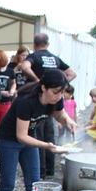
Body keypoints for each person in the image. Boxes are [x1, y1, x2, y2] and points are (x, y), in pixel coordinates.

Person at [0, 69, 77, 191]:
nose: (59, 96)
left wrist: (68, 120)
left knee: (34, 183)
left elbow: (59, 114)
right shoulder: (26, 101)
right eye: (55, 92)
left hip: (30, 139)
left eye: (62, 92)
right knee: (8, 184)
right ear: (44, 87)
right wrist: (47, 145)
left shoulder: (56, 99)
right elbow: (21, 136)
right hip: (9, 140)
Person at [21, 33, 76, 178]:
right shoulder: (55, 58)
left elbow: (24, 67)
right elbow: (72, 73)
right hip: (45, 104)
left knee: (38, 137)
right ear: (48, 43)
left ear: (34, 44)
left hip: (43, 100)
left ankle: (41, 171)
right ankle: (49, 170)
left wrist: (37, 81)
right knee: (48, 136)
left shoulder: (34, 57)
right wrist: (62, 83)